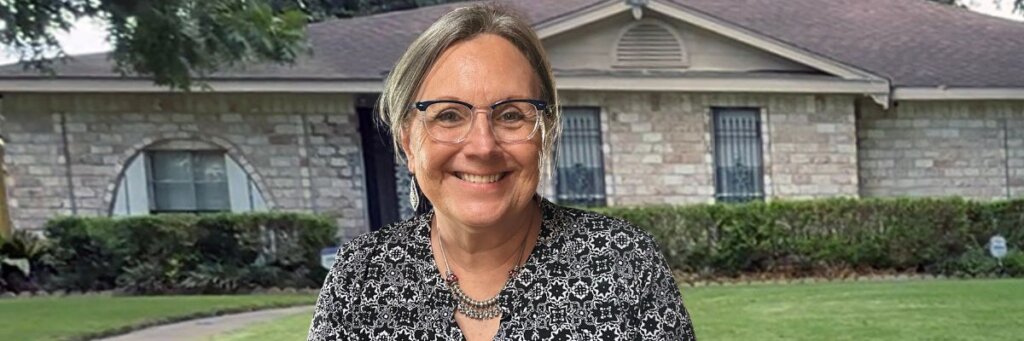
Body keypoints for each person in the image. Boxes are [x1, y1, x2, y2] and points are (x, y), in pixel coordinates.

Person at [307, 3, 695, 340]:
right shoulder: (359, 279)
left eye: (510, 115)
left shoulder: (622, 263)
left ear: (544, 134)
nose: (482, 146)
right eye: (449, 115)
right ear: (409, 142)